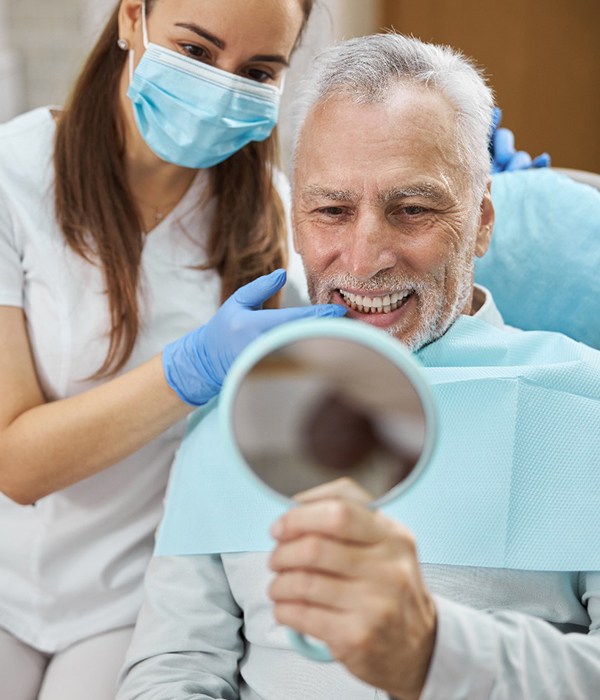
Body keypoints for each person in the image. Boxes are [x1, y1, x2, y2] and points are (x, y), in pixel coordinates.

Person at [116, 33, 600, 700]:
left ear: (482, 221)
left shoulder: (587, 408)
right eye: (332, 211)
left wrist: (433, 653)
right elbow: (173, 667)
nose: (365, 256)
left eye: (413, 210)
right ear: (296, 222)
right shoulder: (231, 418)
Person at [0, 1, 362, 698]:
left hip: (131, 597)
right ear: (132, 17)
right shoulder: (13, 178)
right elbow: (14, 463)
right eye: (196, 51)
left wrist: (469, 195)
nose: (223, 86)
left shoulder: (275, 221)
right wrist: (190, 368)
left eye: (258, 70)